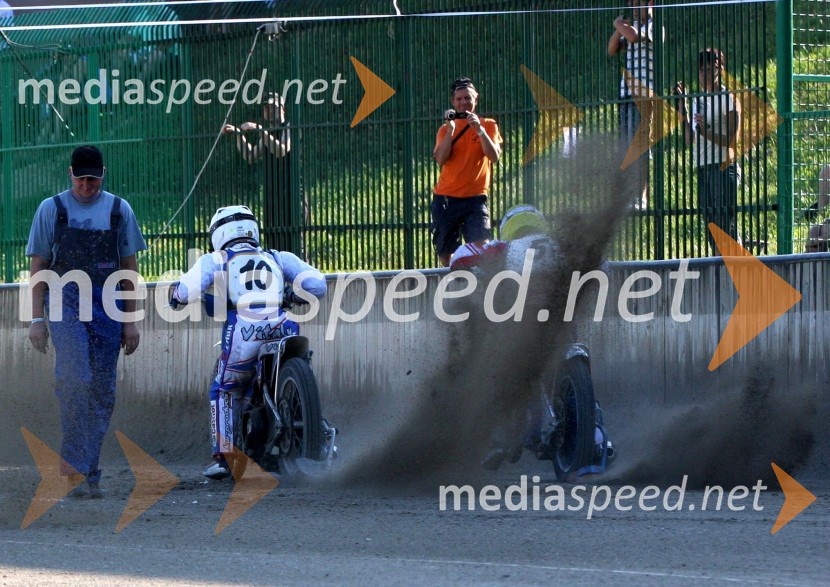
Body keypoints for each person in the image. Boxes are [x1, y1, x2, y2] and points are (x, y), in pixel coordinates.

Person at [450, 205, 614, 473]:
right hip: (561, 319)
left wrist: (476, 271)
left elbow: (460, 257)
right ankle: (596, 435)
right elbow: (602, 264)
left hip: (523, 323)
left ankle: (500, 438)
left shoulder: (502, 247)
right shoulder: (562, 244)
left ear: (509, 228)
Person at [169, 205, 327, 480]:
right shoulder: (278, 257)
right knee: (298, 370)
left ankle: (224, 457)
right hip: (283, 325)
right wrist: (291, 296)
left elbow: (186, 290)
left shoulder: (216, 259)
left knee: (225, 389)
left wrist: (175, 295)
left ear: (219, 233)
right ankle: (319, 432)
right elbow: (318, 285)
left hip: (244, 330)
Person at [26, 145, 147, 499]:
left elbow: (129, 268)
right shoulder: (51, 209)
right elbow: (38, 267)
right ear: (70, 174)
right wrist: (36, 318)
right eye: (81, 179)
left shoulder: (120, 210)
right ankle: (74, 470)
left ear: (103, 175)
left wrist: (130, 321)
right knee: (75, 378)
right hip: (64, 299)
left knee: (102, 391)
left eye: (93, 180)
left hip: (108, 302)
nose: (86, 186)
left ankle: (87, 472)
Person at [675, 48, 742, 255]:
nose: (705, 74)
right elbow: (690, 139)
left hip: (723, 167)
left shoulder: (728, 98)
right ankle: (723, 265)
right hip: (703, 167)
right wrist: (682, 105)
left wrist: (706, 131)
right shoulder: (698, 100)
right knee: (712, 227)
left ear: (720, 70)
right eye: (702, 69)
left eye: (711, 69)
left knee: (724, 227)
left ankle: (735, 264)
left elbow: (732, 140)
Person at [431, 77, 503, 267]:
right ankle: (455, 282)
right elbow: (440, 159)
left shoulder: (489, 125)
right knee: (446, 254)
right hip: (447, 199)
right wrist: (450, 131)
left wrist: (479, 130)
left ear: (475, 99)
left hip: (475, 200)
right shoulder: (445, 129)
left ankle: (479, 282)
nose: (464, 102)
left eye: (467, 98)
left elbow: (494, 156)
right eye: (459, 99)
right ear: (453, 102)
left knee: (482, 248)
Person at [223, 92, 303, 254]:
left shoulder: (290, 127)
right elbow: (250, 156)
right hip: (273, 198)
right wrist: (238, 135)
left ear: (283, 109)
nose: (269, 110)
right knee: (274, 247)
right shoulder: (267, 133)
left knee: (294, 248)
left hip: (293, 198)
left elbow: (281, 150)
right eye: (266, 107)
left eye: (273, 107)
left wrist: (260, 130)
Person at [607, 0, 656, 209]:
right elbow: (611, 49)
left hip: (642, 96)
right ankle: (629, 195)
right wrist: (618, 29)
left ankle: (641, 196)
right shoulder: (631, 29)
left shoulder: (654, 26)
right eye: (632, 5)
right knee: (627, 147)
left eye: (638, 4)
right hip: (626, 95)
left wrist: (618, 25)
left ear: (650, 3)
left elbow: (634, 37)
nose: (634, 9)